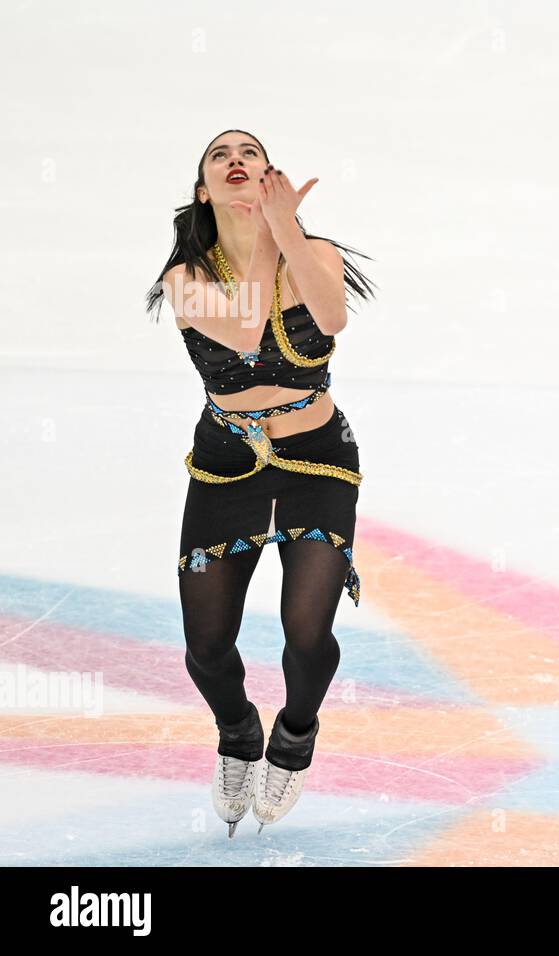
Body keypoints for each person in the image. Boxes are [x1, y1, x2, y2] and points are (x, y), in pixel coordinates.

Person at [146, 129, 377, 834]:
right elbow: (246, 332)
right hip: (226, 464)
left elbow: (331, 316)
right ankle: (239, 733)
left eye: (249, 152)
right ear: (203, 191)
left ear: (270, 178)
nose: (236, 159)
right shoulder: (185, 280)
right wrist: (272, 232)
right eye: (221, 156)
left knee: (307, 635)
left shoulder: (319, 256)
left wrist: (285, 232)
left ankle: (294, 736)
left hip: (317, 455)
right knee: (207, 648)